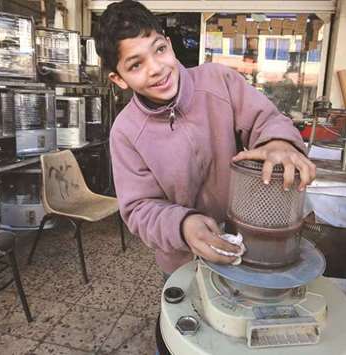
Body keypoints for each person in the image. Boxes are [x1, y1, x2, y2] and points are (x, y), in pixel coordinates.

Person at [96, 0, 316, 275]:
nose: (156, 68)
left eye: (159, 50)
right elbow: (139, 208)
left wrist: (279, 143)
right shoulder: (125, 133)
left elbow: (267, 119)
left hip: (248, 243)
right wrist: (183, 226)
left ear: (169, 45)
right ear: (119, 79)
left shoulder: (219, 81)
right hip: (182, 260)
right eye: (136, 65)